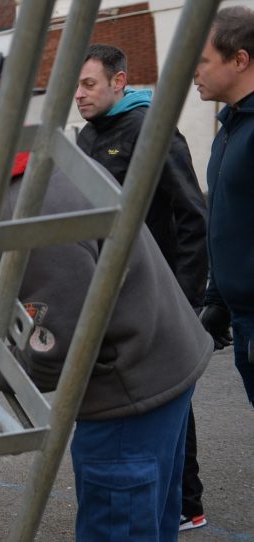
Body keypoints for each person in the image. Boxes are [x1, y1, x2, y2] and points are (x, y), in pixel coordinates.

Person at [0, 82, 211, 542]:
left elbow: (57, 341)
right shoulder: (45, 161)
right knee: (151, 521)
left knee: (116, 525)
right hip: (162, 360)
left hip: (126, 388)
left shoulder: (25, 213)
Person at [74, 44, 209, 531]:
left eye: (89, 84)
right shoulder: (88, 136)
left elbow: (192, 214)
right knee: (153, 404)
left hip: (163, 296)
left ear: (119, 81)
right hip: (116, 301)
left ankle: (187, 501)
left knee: (168, 397)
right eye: (75, 85)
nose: (79, 94)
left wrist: (190, 297)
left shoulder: (150, 129)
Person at [194, 5, 254, 410]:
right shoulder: (228, 131)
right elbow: (226, 219)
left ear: (240, 60)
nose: (192, 72)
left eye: (201, 60)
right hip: (240, 316)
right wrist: (216, 301)